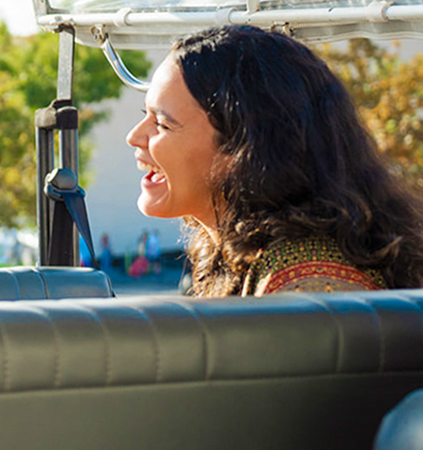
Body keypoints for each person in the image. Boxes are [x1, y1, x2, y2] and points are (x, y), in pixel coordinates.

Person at [127, 24, 423, 295]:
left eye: (162, 124)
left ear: (241, 147)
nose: (134, 136)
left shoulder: (309, 285)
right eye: (145, 116)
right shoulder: (253, 256)